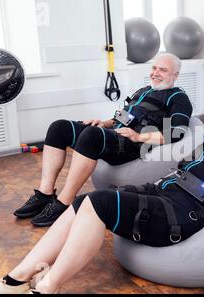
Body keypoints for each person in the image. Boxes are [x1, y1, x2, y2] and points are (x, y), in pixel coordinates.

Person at [0, 88, 204, 294]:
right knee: (82, 203)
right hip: (160, 192)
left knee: (99, 203)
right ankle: (18, 278)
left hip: (181, 214)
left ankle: (47, 287)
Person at [14, 53, 193, 227]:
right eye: (154, 68)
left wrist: (139, 136)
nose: (155, 73)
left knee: (91, 135)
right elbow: (123, 117)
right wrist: (104, 123)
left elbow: (177, 131)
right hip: (115, 134)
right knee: (59, 127)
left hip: (133, 145)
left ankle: (64, 203)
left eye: (162, 70)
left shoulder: (178, 98)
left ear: (175, 75)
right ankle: (45, 193)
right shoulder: (143, 91)